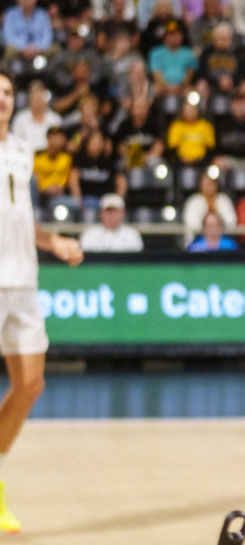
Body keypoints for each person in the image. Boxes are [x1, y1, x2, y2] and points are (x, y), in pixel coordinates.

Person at [0, 72, 83, 532]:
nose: (4, 100)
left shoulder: (20, 153)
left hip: (23, 281)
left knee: (31, 385)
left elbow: (21, 219)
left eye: (9, 93)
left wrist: (55, 242)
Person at [78, 193, 144, 252]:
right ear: (101, 213)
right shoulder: (89, 234)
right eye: (108, 211)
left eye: (115, 211)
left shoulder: (132, 235)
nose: (112, 215)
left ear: (123, 213)